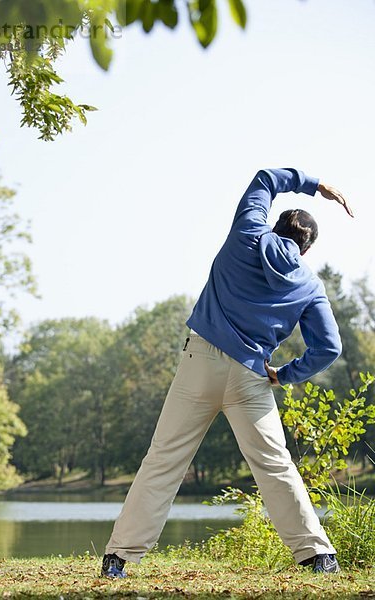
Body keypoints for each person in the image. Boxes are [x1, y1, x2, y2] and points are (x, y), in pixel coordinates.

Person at [101, 168, 354, 579]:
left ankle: (119, 558)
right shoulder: (309, 285)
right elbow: (329, 348)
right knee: (275, 466)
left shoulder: (247, 233)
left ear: (273, 224)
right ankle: (317, 557)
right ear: (306, 250)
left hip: (198, 365)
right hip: (251, 377)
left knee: (163, 460)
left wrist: (316, 185)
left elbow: (265, 180)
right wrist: (285, 375)